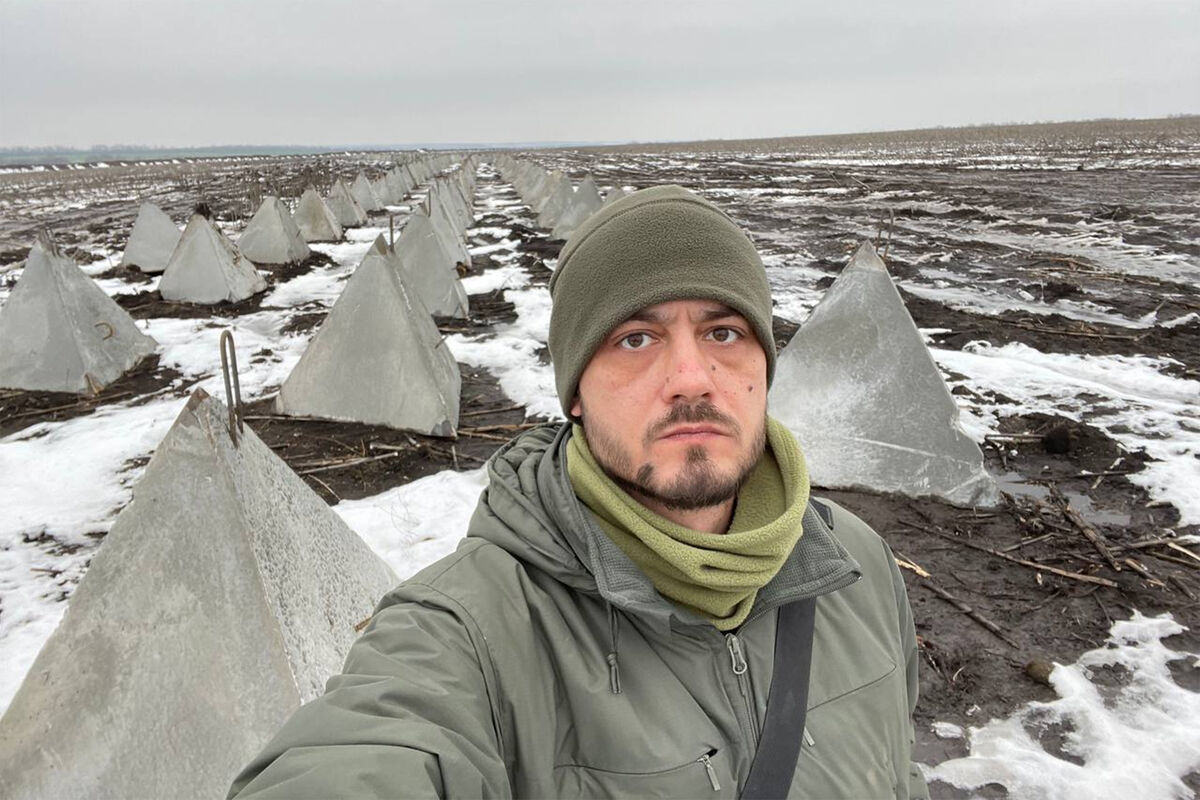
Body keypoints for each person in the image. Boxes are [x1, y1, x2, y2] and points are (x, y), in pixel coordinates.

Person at [230, 185, 930, 799]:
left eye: (724, 331)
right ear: (573, 396)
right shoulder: (475, 633)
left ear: (764, 368)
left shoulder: (856, 567)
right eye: (636, 339)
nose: (692, 378)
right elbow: (368, 751)